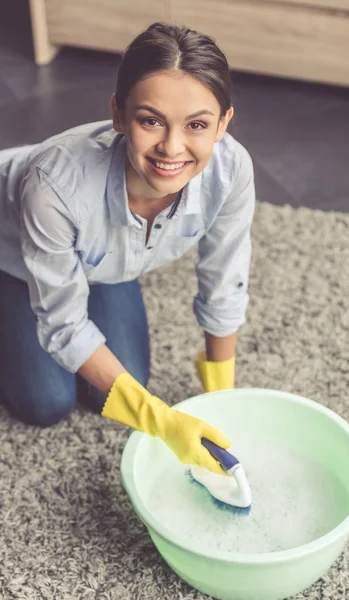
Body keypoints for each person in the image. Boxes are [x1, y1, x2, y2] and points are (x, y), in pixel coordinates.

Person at [0, 22, 255, 476]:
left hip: (97, 259)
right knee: (47, 402)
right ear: (119, 115)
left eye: (196, 124)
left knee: (118, 388)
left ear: (223, 124)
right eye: (151, 120)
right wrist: (162, 421)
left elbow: (224, 279)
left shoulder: (231, 170)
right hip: (13, 248)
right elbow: (63, 325)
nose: (172, 148)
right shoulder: (52, 186)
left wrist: (222, 398)